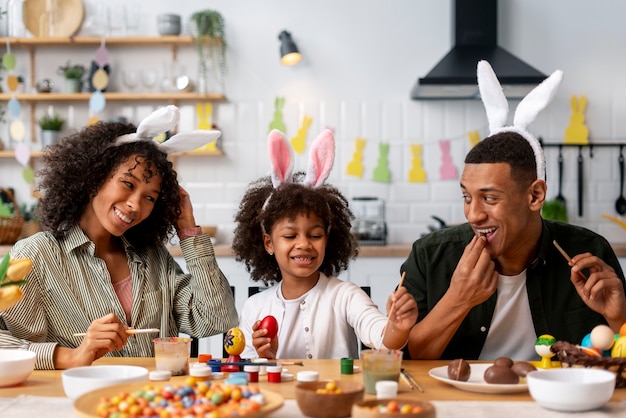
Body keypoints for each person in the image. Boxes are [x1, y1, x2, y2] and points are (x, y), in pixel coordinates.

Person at [402, 61, 626, 361]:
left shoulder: (588, 253)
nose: (473, 214)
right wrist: (458, 298)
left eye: (489, 198)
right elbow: (410, 360)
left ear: (535, 195)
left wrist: (619, 319)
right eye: (467, 197)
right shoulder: (430, 256)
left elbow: (614, 358)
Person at [0, 106, 238, 370]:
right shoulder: (33, 256)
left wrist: (188, 229)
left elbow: (216, 318)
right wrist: (71, 355)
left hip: (149, 404)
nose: (136, 204)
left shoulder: (152, 255)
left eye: (150, 197)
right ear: (94, 178)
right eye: (128, 184)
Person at [233, 129, 417, 360]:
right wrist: (266, 358)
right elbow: (250, 370)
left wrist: (398, 327)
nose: (304, 244)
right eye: (290, 236)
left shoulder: (346, 296)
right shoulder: (255, 307)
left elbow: (382, 338)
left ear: (328, 240)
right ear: (268, 243)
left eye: (315, 235)